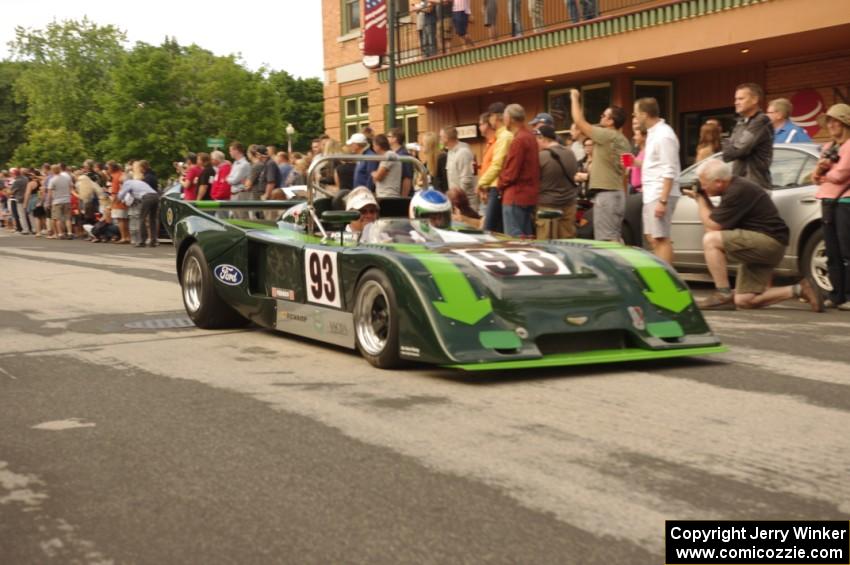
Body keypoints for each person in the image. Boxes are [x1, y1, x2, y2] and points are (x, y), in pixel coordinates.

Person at [687, 159, 822, 312]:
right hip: (766, 243)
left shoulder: (737, 191)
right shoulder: (733, 187)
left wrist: (699, 199)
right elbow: (718, 218)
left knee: (711, 240)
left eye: (704, 184)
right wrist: (704, 197)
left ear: (718, 182)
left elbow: (712, 226)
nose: (702, 187)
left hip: (767, 242)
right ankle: (800, 289)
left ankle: (723, 294)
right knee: (744, 300)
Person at [570, 88, 631, 241]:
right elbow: (627, 168)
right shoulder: (624, 140)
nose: (601, 117)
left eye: (604, 115)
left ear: (611, 121)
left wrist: (574, 98)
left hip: (606, 195)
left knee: (605, 241)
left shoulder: (606, 135)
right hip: (618, 194)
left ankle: (614, 265)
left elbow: (579, 122)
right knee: (615, 237)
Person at [633, 97, 681, 264]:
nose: (635, 117)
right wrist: (635, 163)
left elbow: (669, 169)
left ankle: (666, 282)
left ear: (645, 115)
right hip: (652, 193)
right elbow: (654, 164)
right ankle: (664, 277)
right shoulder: (654, 134)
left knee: (660, 238)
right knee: (652, 237)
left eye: (636, 114)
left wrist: (663, 200)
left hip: (660, 193)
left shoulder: (664, 135)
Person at [811, 103, 850, 310]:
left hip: (845, 202)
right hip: (827, 201)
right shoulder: (828, 147)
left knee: (847, 250)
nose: (831, 125)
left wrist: (825, 172)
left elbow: (840, 174)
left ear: (845, 123)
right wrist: (820, 170)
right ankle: (836, 295)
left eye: (835, 120)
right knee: (832, 251)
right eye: (829, 121)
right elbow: (814, 177)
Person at [498, 103, 540, 237]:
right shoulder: (530, 137)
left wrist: (500, 185)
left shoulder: (519, 140)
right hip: (529, 196)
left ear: (510, 118)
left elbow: (511, 172)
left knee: (514, 241)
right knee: (527, 239)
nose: (503, 120)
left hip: (515, 196)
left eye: (504, 116)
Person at [722, 83, 773, 188]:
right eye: (736, 99)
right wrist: (730, 145)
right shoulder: (741, 122)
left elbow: (739, 150)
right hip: (740, 185)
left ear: (754, 100)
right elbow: (727, 155)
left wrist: (727, 143)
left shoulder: (761, 121)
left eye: (741, 99)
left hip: (755, 186)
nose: (736, 102)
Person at [535, 124, 578, 239]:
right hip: (569, 206)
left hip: (547, 207)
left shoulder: (541, 156)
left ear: (542, 138)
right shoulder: (571, 154)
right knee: (567, 245)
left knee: (547, 247)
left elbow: (533, 181)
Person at [477, 102, 512, 232]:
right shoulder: (501, 137)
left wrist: (481, 183)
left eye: (490, 116)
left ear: (495, 117)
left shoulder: (504, 137)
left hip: (497, 187)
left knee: (490, 228)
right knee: (495, 227)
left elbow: (497, 165)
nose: (489, 119)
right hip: (494, 186)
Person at [119, 169, 159, 247]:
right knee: (152, 219)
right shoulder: (137, 182)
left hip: (147, 197)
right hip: (155, 196)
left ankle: (141, 241)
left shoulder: (127, 183)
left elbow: (121, 195)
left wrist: (119, 199)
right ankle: (153, 240)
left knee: (142, 218)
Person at [441, 126, 476, 208]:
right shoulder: (450, 152)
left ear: (446, 138)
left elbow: (466, 179)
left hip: (466, 201)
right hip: (456, 201)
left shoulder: (463, 152)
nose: (440, 139)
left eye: (441, 137)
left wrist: (458, 198)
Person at [227, 142, 252, 219]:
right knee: (236, 218)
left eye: (231, 150)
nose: (229, 152)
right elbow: (229, 178)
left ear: (236, 151)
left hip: (241, 194)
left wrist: (229, 179)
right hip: (234, 194)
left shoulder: (244, 164)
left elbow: (233, 180)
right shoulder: (235, 163)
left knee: (242, 218)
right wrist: (230, 179)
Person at [630, 125, 646, 193]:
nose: (634, 138)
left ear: (643, 137)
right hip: (635, 190)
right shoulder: (640, 153)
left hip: (642, 191)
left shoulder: (648, 152)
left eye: (636, 135)